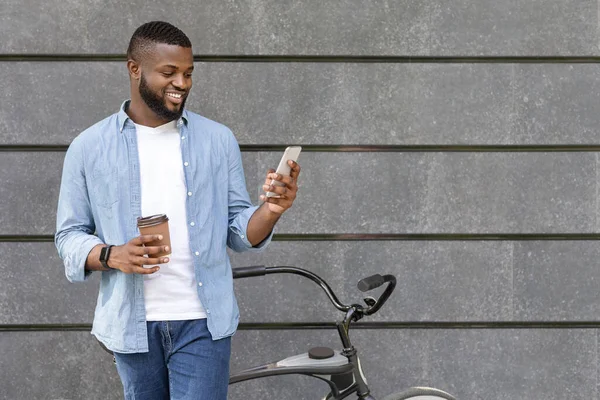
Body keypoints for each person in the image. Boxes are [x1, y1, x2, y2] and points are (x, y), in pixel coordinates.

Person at [55, 21, 300, 400]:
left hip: (202, 322)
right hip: (131, 325)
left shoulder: (218, 140)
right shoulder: (88, 147)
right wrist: (112, 255)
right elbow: (68, 235)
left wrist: (271, 209)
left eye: (188, 73)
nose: (182, 83)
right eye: (168, 72)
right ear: (134, 69)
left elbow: (238, 231)